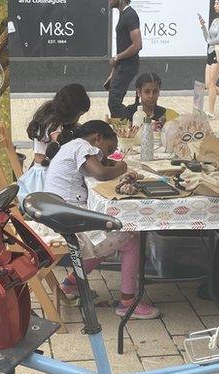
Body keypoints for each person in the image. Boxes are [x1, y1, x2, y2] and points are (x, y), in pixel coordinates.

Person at [42, 120, 161, 319]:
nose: (105, 155)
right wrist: (121, 167)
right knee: (131, 238)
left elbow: (97, 167)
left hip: (56, 213)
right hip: (65, 221)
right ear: (97, 138)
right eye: (107, 149)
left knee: (107, 235)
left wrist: (107, 162)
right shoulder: (83, 146)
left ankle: (71, 284)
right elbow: (101, 173)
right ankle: (128, 302)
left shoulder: (74, 145)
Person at [26, 83, 91, 165]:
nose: (78, 119)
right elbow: (64, 145)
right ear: (70, 112)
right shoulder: (51, 126)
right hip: (46, 171)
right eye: (79, 115)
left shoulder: (50, 113)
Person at [108, 0, 142, 119]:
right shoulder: (124, 14)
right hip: (123, 66)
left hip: (128, 66)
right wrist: (112, 73)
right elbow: (123, 46)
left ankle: (133, 124)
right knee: (114, 103)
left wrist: (117, 57)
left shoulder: (130, 15)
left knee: (114, 104)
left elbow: (137, 45)